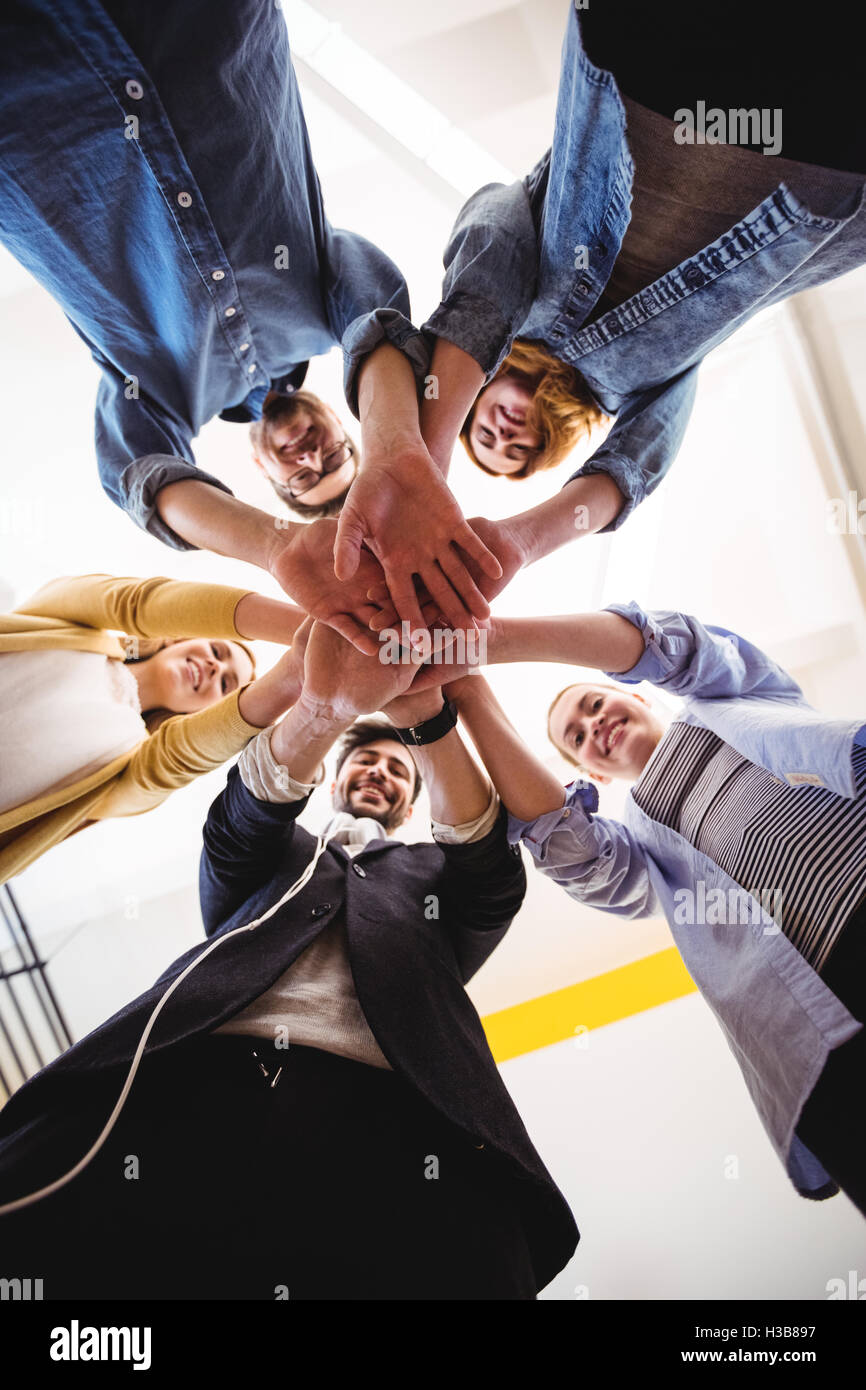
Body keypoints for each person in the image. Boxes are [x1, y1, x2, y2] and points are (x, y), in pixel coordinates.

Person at [0, 622, 578, 1299]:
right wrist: (324, 706)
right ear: (335, 776)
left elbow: (490, 880)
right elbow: (240, 820)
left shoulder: (431, 875)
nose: (381, 773)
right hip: (182, 1085)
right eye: (367, 762)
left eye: (399, 770)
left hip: (402, 1126)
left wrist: (425, 718)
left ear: (414, 798)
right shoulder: (278, 855)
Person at [0, 0, 500, 649]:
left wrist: (276, 544)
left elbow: (141, 473)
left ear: (265, 472)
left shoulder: (163, 398)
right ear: (344, 427)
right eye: (339, 457)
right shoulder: (326, 306)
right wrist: (394, 446)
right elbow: (374, 315)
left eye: (302, 478)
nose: (312, 455)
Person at [389, 0, 866, 623]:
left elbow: (492, 224)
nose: (502, 434)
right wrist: (518, 544)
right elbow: (640, 461)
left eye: (483, 433)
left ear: (474, 403)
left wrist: (424, 466)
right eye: (515, 448)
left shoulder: (505, 305)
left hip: (642, 89)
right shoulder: (630, 394)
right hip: (819, 170)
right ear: (548, 443)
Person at [430, 603, 866, 1214]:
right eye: (576, 738)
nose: (593, 725)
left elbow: (677, 649)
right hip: (825, 1025)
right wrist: (468, 693)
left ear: (638, 695)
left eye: (593, 704)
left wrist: (485, 643)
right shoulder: (640, 855)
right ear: (590, 773)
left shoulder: (733, 696)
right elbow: (566, 845)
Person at [0, 572, 310, 883]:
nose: (215, 668)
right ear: (186, 637)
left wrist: (296, 670)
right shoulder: (77, 630)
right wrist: (315, 628)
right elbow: (136, 604)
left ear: (207, 713)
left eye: (226, 685)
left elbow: (179, 758)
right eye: (217, 651)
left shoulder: (128, 765)